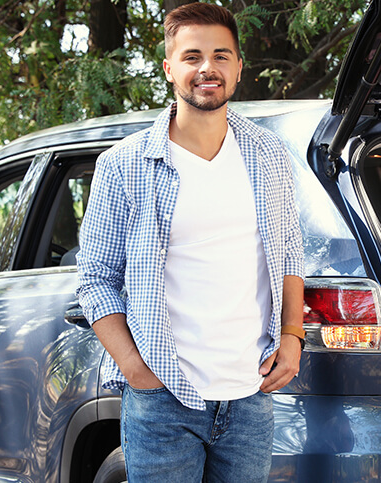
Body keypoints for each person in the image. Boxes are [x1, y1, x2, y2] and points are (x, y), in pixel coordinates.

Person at [75, 3, 305, 481]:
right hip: (163, 400)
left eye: (222, 55)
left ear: (239, 67)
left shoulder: (270, 156)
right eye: (192, 56)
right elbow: (96, 280)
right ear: (169, 69)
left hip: (249, 396)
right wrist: (137, 369)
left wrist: (292, 337)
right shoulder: (125, 165)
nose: (208, 68)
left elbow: (288, 255)